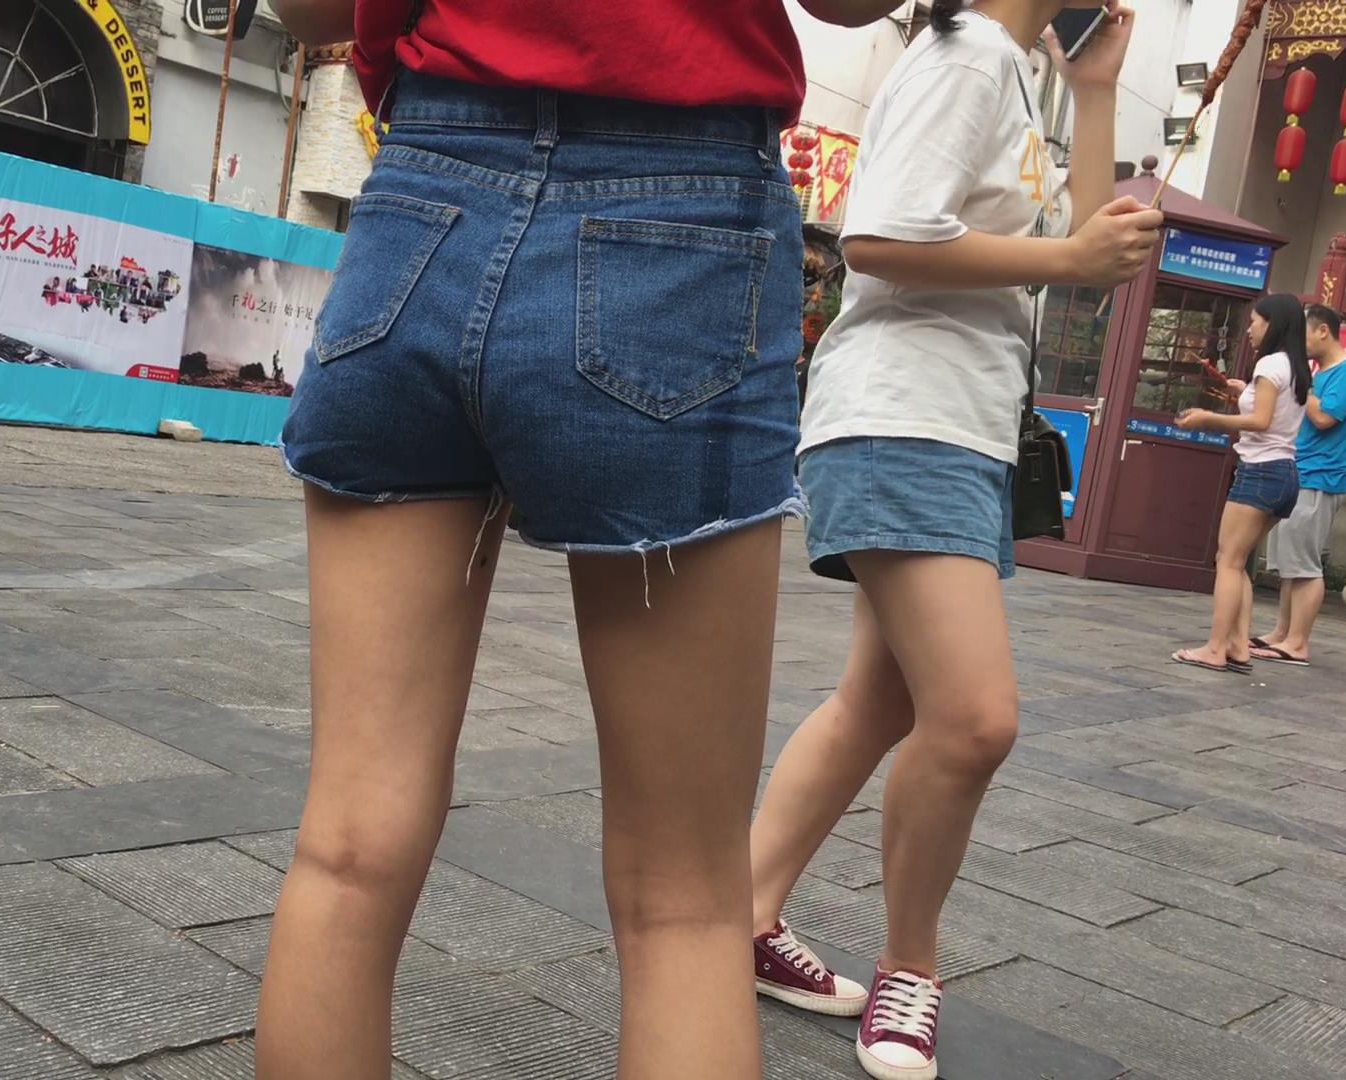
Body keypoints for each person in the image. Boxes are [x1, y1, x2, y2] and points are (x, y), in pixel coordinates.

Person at [262, 2, 904, 1077]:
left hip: (426, 194)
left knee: (346, 853)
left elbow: (315, 10)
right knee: (684, 905)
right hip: (679, 203)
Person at [746, 3, 1159, 1078]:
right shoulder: (967, 53)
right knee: (974, 720)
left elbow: (1092, 255)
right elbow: (878, 237)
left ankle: (738, 915)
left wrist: (1097, 88)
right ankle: (911, 968)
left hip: (952, 423)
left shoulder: (1016, 71)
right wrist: (1066, 250)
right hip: (907, 416)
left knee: (877, 702)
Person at [1173, 293, 1312, 674]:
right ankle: (1237, 645)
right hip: (1284, 473)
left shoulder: (1269, 364)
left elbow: (1260, 421)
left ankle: (1215, 648)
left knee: (1228, 561)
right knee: (1237, 561)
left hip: (1260, 471)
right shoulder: (1296, 366)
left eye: (1255, 321)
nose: (1250, 329)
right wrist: (1244, 393)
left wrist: (1208, 419)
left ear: (1273, 324)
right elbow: (1273, 414)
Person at [1253, 303, 1346, 667]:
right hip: (1301, 471)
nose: (1298, 343)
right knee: (1291, 563)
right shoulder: (1321, 371)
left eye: (1303, 334)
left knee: (1304, 565)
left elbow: (1323, 417)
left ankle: (1298, 642)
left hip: (1323, 475)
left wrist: (1301, 387)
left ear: (1323, 331)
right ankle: (1283, 633)